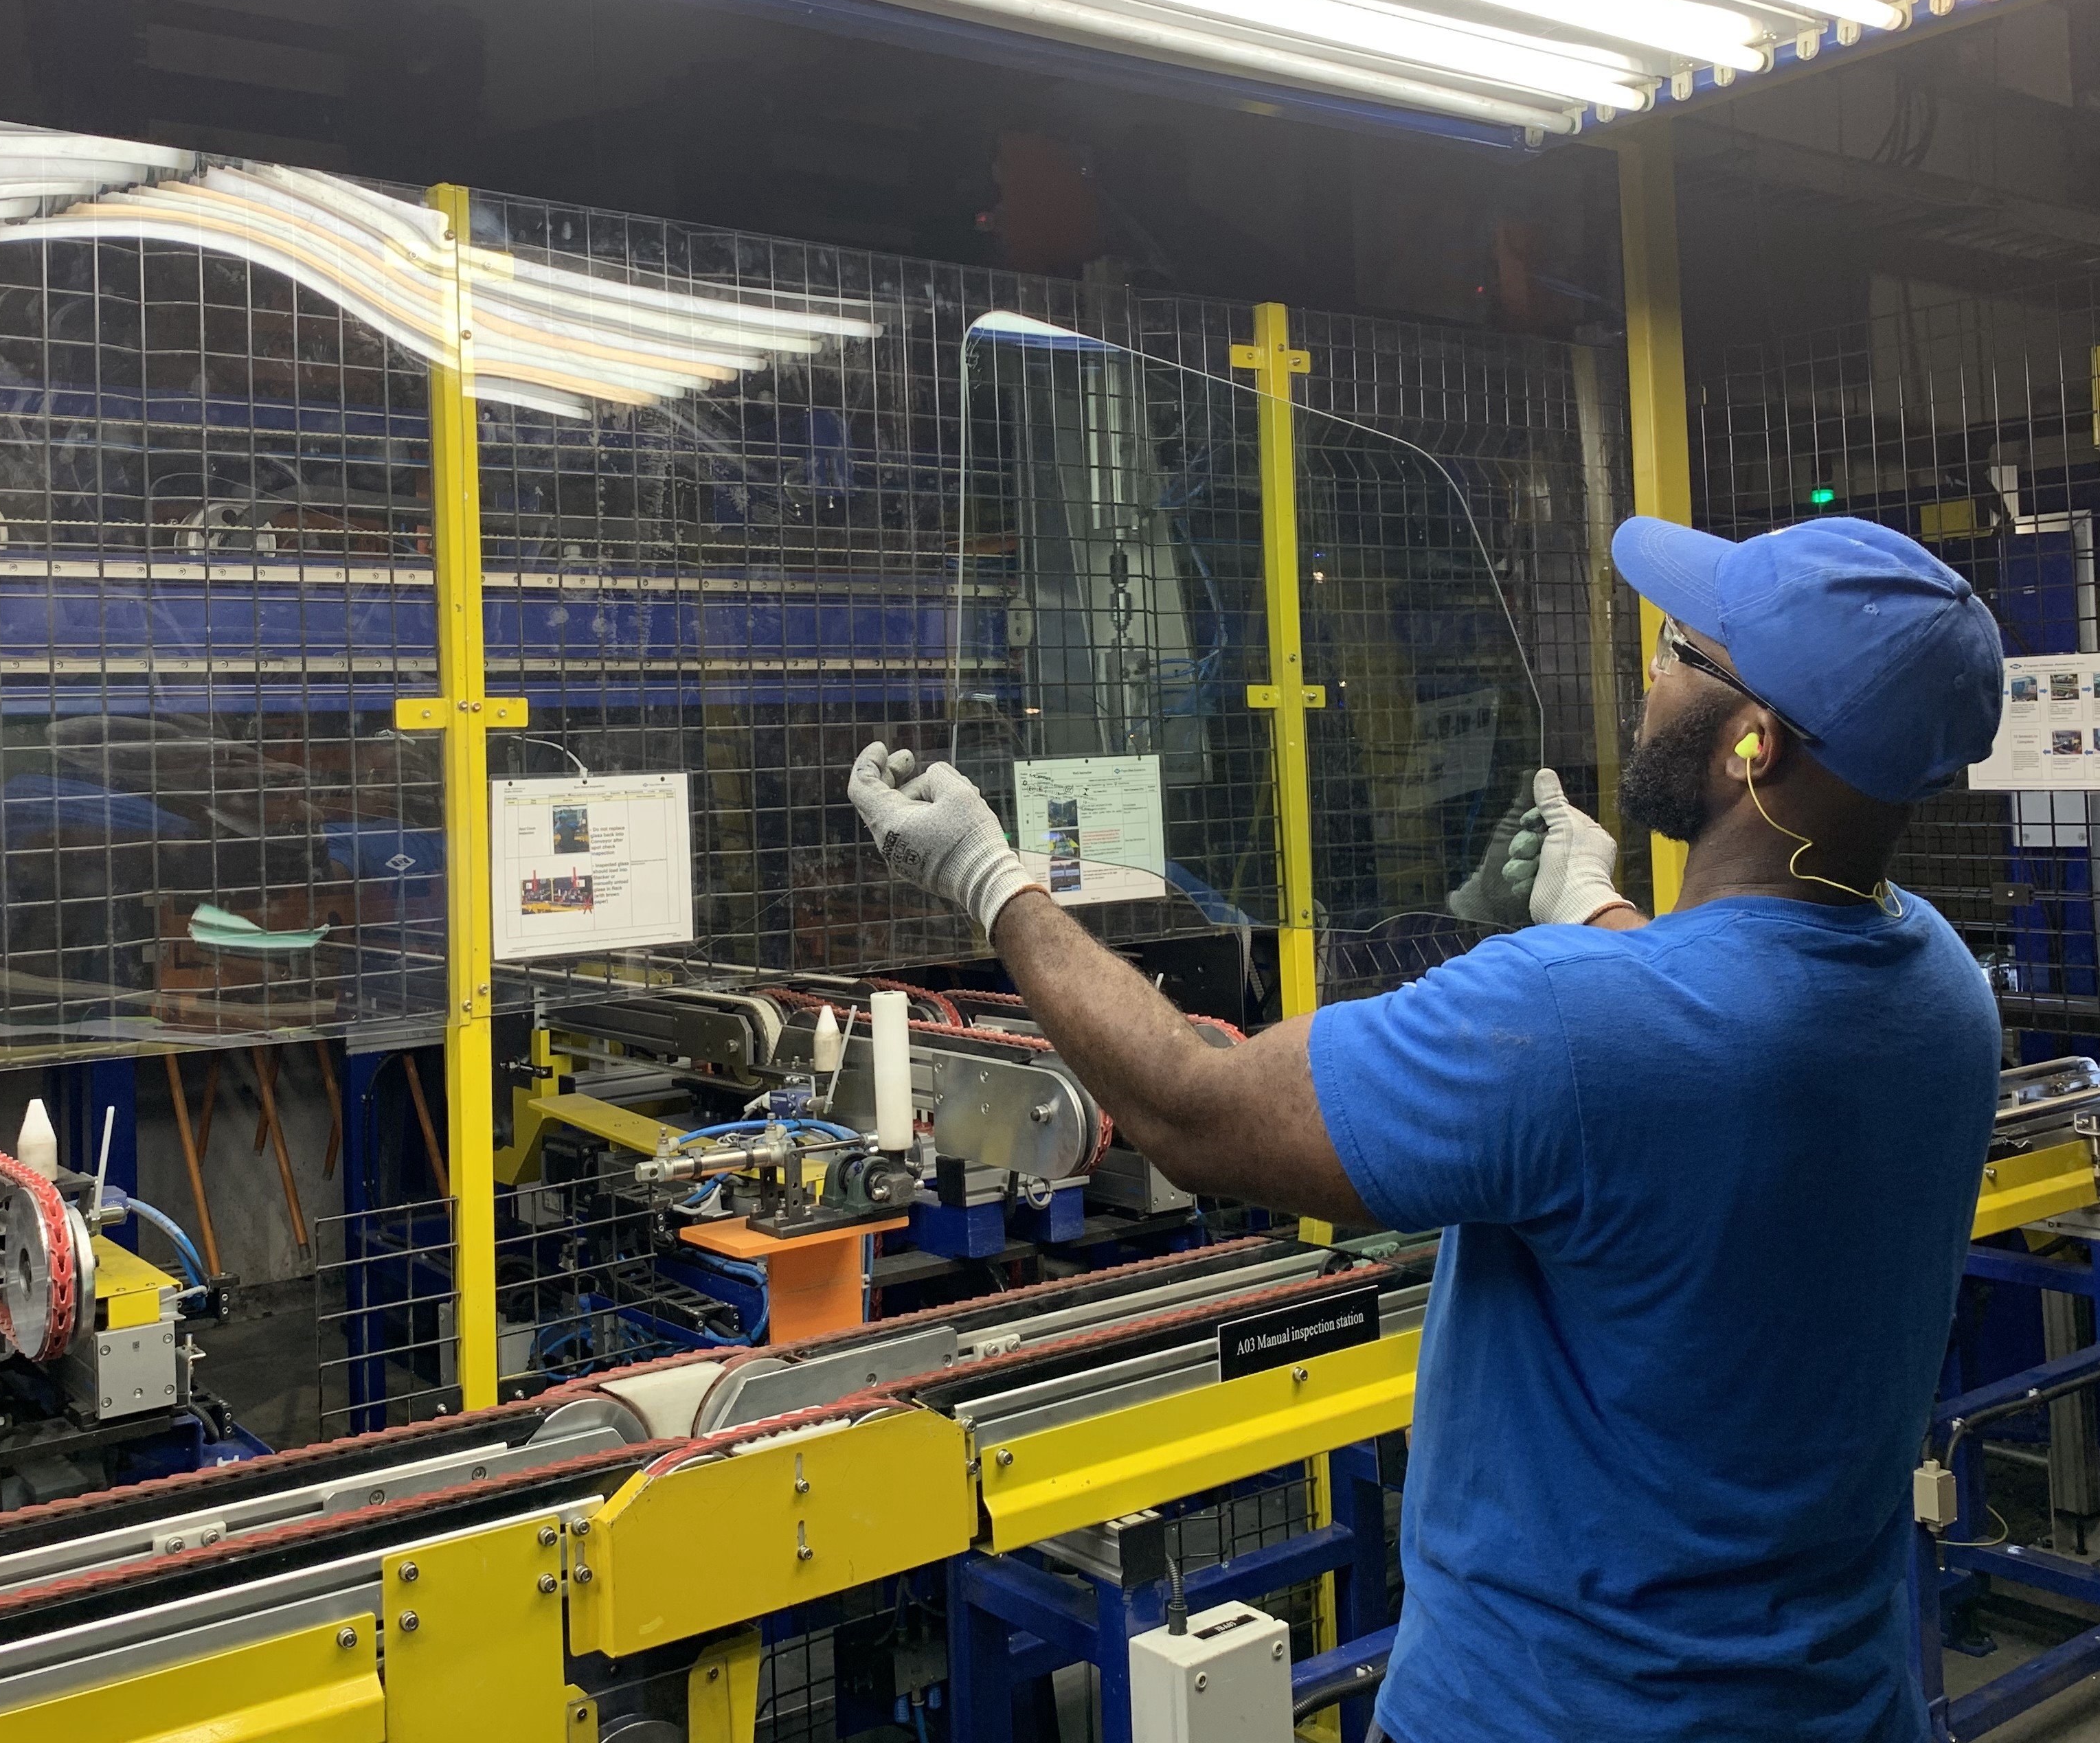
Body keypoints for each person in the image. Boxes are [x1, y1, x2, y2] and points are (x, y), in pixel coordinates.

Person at [846, 514, 2006, 1743]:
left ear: (1752, 747)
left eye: (1681, 649)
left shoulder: (1566, 1025)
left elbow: (1195, 1109)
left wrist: (991, 880)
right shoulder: (1941, 990)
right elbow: (1714, 1023)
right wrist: (1596, 905)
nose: (1647, 672)